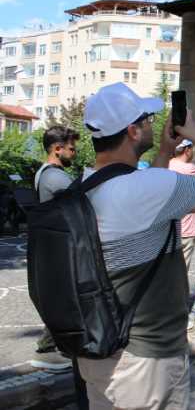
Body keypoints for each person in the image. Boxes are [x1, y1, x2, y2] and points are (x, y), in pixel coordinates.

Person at [76, 83, 195, 409]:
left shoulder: (80, 188)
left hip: (97, 348)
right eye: (146, 119)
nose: (152, 123)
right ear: (133, 131)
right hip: (147, 360)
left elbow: (144, 200)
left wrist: (163, 153)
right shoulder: (148, 188)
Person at [31, 126, 89, 410]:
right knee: (66, 299)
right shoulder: (55, 177)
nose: (73, 153)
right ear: (57, 149)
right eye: (71, 148)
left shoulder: (43, 173)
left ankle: (49, 342)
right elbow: (81, 203)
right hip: (62, 246)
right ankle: (55, 344)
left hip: (52, 245)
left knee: (58, 298)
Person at [168, 139, 195, 271]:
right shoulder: (193, 170)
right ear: (187, 150)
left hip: (167, 230)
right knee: (181, 272)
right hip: (186, 230)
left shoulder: (165, 166)